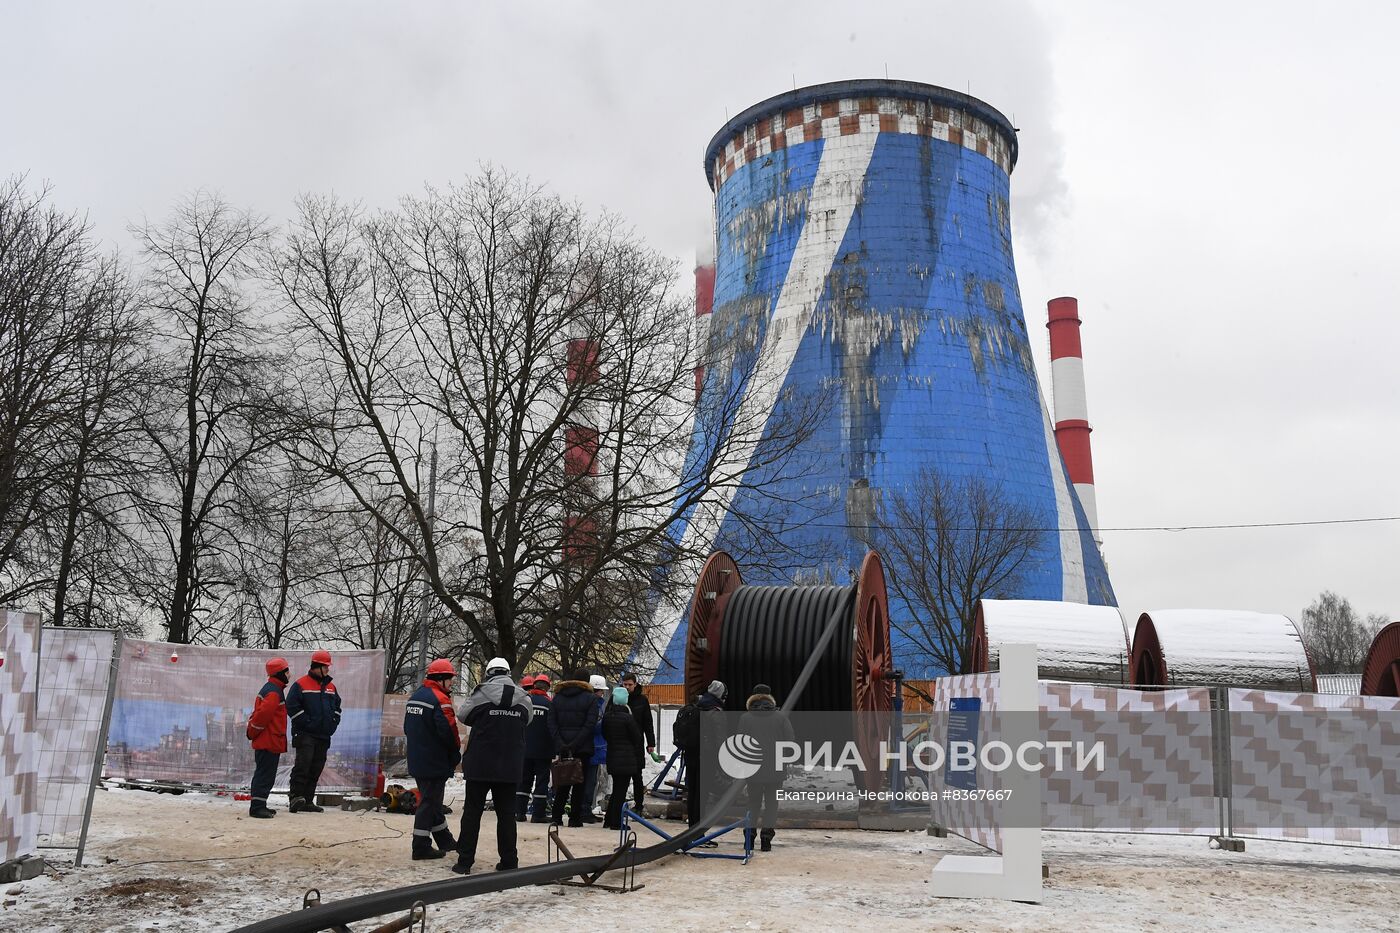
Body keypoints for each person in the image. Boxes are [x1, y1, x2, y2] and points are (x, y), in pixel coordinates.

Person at [453, 657, 531, 874]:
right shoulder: (524, 698)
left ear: (488, 673)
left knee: (472, 812)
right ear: (508, 674)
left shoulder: (480, 694)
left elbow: (463, 715)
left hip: (480, 764)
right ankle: (509, 861)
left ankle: (464, 862)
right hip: (510, 765)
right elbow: (528, 720)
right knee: (507, 815)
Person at [403, 658, 461, 860]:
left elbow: (406, 728)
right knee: (429, 802)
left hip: (418, 758)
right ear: (441, 679)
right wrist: (455, 753)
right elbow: (449, 731)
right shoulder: (440, 699)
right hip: (434, 760)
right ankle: (420, 846)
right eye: (450, 679)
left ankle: (445, 840)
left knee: (434, 802)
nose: (452, 683)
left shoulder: (416, 696)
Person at [736, 683, 795, 852]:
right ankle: (766, 840)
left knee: (752, 804)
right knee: (771, 805)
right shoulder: (781, 718)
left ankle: (749, 839)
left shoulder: (745, 718)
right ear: (770, 698)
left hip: (753, 770)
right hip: (775, 771)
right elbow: (790, 742)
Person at [286, 649, 341, 812]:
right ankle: (296, 798)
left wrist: (333, 723)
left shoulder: (331, 687)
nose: (328, 670)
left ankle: (308, 801)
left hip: (323, 735)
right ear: (317, 666)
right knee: (303, 766)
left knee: (316, 767)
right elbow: (292, 707)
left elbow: (338, 708)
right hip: (305, 735)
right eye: (326, 667)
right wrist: (307, 723)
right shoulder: (301, 684)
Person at [547, 669, 599, 827]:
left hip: (563, 747)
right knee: (579, 783)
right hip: (582, 747)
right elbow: (590, 724)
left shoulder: (558, 698)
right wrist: (575, 743)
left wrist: (561, 743)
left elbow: (551, 722)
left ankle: (556, 816)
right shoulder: (591, 699)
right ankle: (574, 818)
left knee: (563, 780)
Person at [245, 657, 290, 819]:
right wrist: (252, 731)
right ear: (280, 673)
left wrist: (252, 732)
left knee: (265, 774)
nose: (289, 675)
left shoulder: (272, 689)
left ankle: (260, 804)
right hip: (268, 741)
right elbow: (262, 717)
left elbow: (258, 716)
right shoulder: (273, 692)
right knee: (265, 774)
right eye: (287, 671)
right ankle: (257, 807)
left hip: (269, 740)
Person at [681, 680, 726, 834]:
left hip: (691, 756)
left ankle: (691, 830)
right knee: (702, 795)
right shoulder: (715, 711)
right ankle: (699, 832)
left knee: (693, 792)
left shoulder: (696, 706)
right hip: (706, 759)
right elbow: (721, 741)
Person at [601, 686, 643, 830]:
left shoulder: (607, 717)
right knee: (620, 791)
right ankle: (616, 822)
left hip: (612, 756)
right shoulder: (627, 718)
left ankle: (608, 819)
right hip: (626, 759)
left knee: (616, 790)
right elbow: (637, 737)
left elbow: (605, 734)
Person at [517, 673, 554, 823]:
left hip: (524, 748)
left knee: (524, 780)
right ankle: (538, 814)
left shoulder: (526, 702)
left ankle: (519, 812)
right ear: (547, 688)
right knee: (541, 782)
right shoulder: (549, 704)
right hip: (543, 751)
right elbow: (552, 727)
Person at [620, 672, 657, 810]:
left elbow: (648, 722)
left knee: (637, 776)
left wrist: (651, 743)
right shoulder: (618, 698)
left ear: (635, 684)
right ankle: (619, 805)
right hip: (622, 743)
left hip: (637, 743)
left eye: (630, 684)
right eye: (625, 684)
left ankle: (639, 805)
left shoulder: (642, 700)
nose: (627, 687)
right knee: (622, 777)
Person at [585, 674, 609, 821]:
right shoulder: (595, 705)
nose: (603, 694)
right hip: (593, 747)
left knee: (590, 780)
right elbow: (595, 726)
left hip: (592, 747)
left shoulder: (594, 704)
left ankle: (586, 808)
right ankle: (585, 809)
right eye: (601, 690)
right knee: (589, 781)